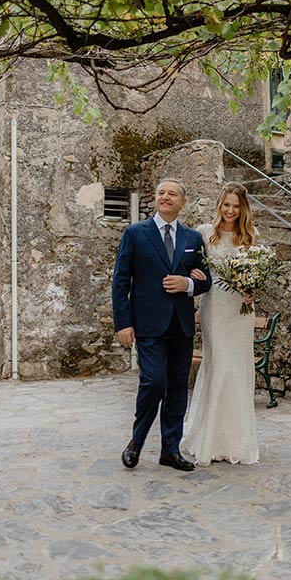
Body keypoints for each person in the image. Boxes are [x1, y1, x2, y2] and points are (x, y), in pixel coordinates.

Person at [112, 178, 211, 472]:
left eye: (172, 194)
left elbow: (205, 280)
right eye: (161, 193)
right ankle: (136, 442)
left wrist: (188, 283)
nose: (165, 197)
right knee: (153, 382)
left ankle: (170, 450)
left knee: (178, 388)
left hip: (180, 325)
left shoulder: (193, 239)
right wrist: (123, 323)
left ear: (183, 202)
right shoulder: (135, 233)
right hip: (148, 324)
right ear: (155, 198)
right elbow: (120, 280)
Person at [181, 181, 259, 466]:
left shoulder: (251, 236)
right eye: (226, 205)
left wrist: (252, 291)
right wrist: (191, 269)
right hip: (214, 308)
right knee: (218, 366)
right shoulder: (204, 233)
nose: (230, 210)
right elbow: (190, 263)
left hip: (240, 311)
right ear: (219, 205)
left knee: (237, 369)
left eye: (236, 207)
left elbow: (254, 274)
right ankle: (207, 438)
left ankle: (236, 440)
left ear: (243, 209)